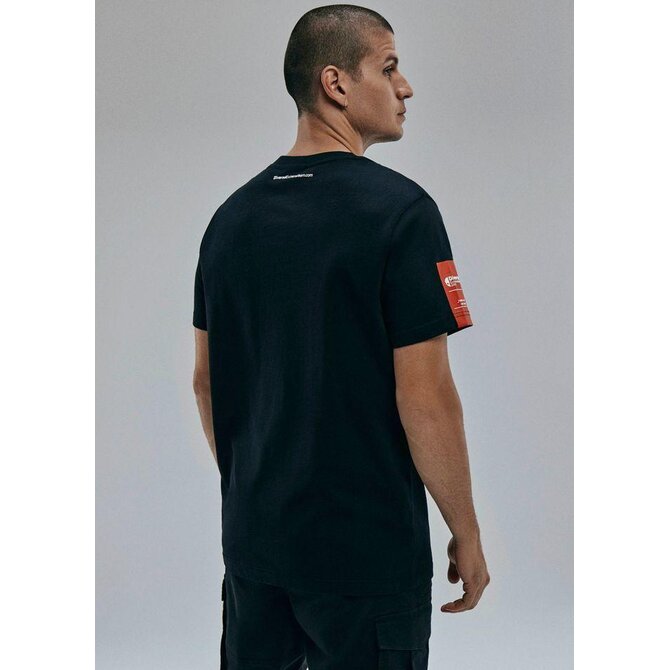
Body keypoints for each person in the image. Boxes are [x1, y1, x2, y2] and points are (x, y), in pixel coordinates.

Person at [192, 5, 490, 669]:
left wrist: (260, 489)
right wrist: (465, 528)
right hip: (365, 556)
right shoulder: (402, 213)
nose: (405, 86)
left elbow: (206, 381)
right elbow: (426, 395)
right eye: (388, 67)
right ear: (336, 83)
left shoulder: (229, 220)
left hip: (256, 548)